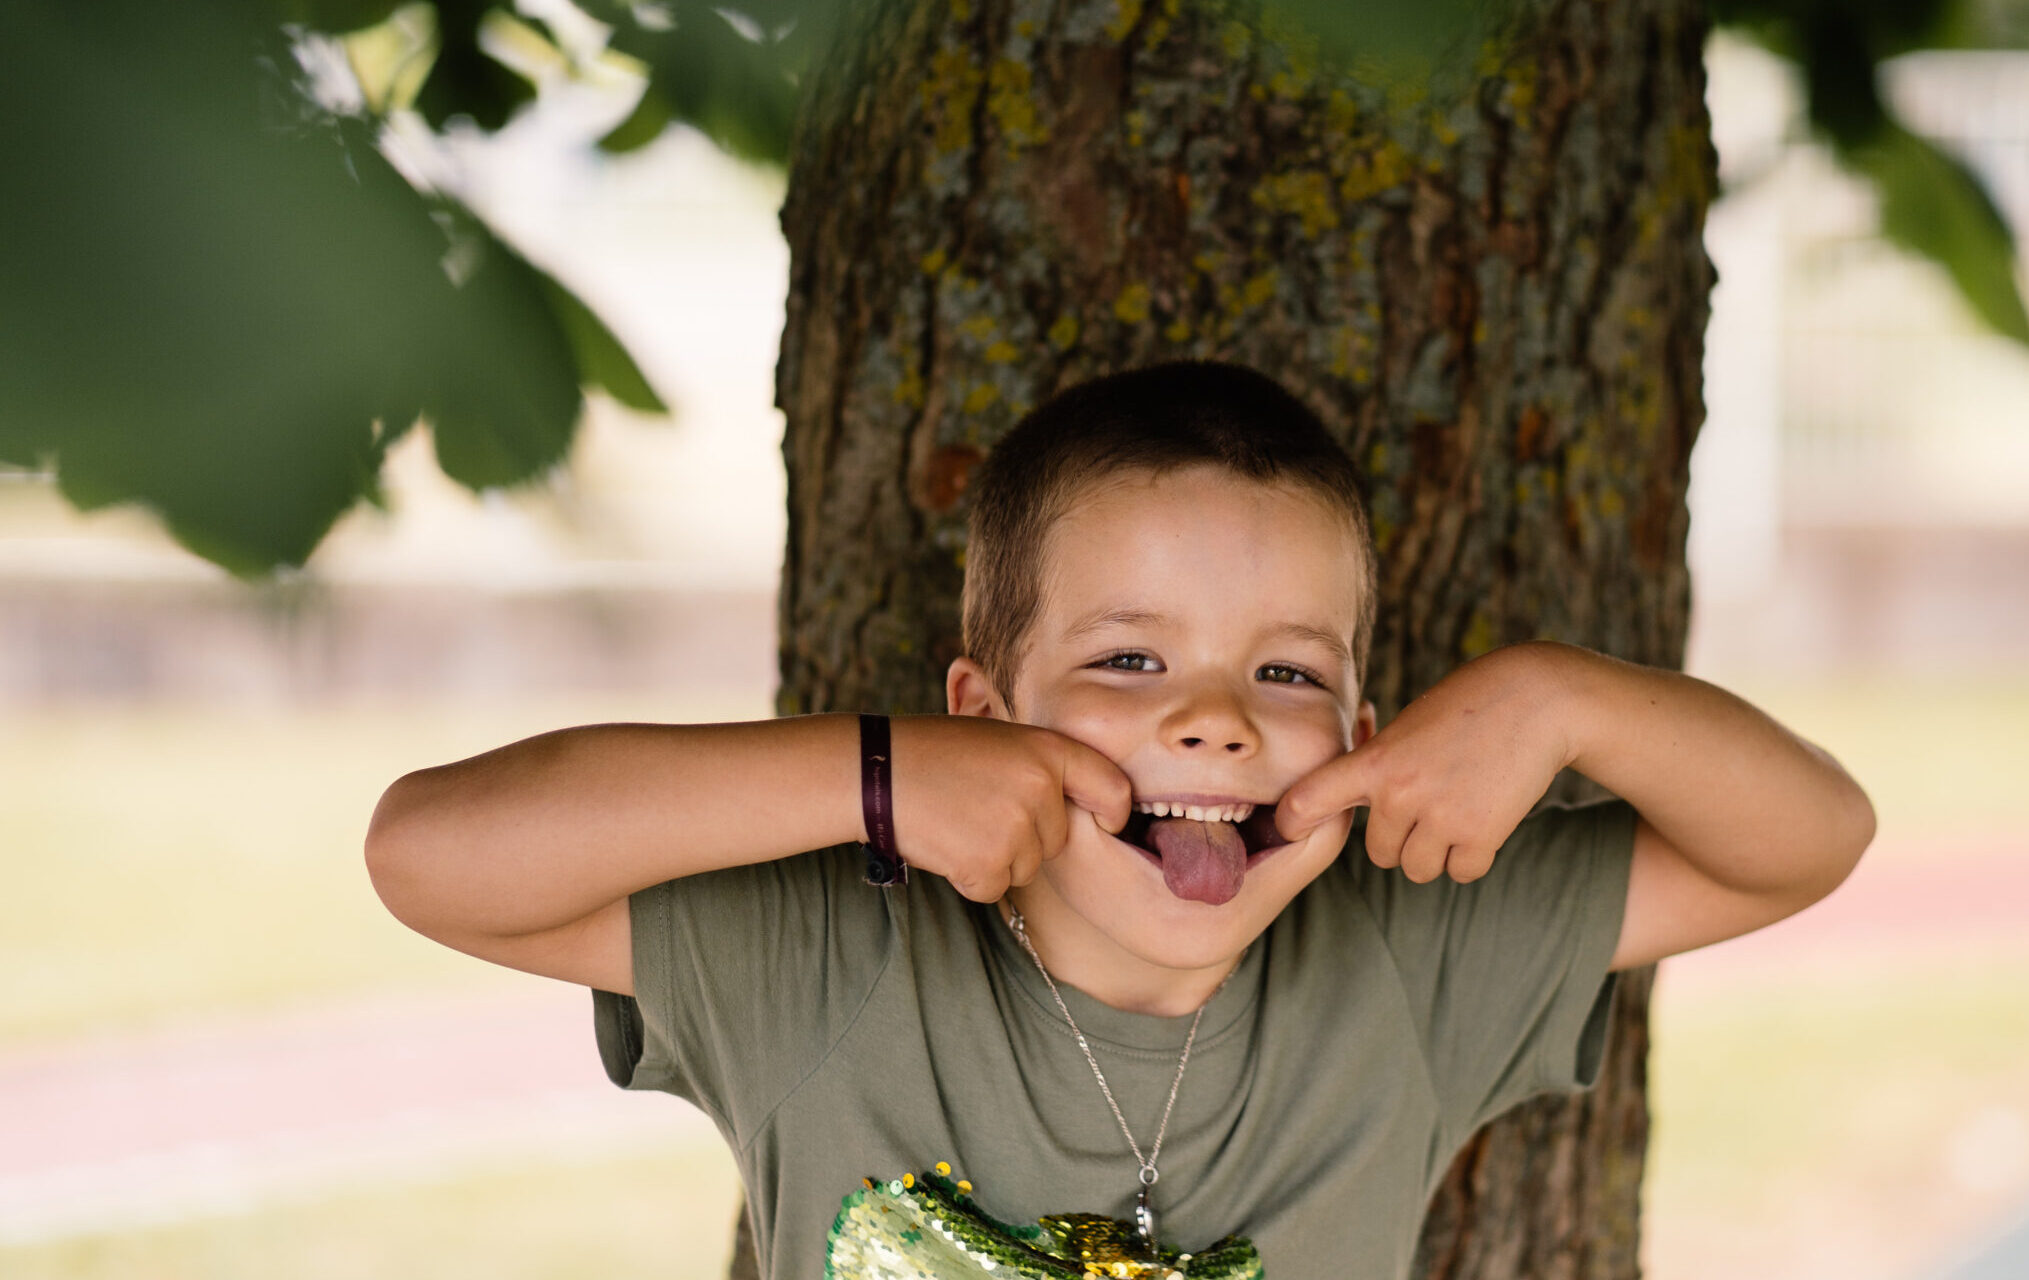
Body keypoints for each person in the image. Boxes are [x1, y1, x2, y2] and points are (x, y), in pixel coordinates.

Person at [364, 361, 1875, 1280]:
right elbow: (428, 854)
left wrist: (1567, 705)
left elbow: (1811, 838)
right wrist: (877, 779)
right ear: (982, 710)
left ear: (1360, 743)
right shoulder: (829, 953)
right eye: (1128, 660)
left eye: (1284, 673)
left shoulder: (1414, 959)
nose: (1212, 716)